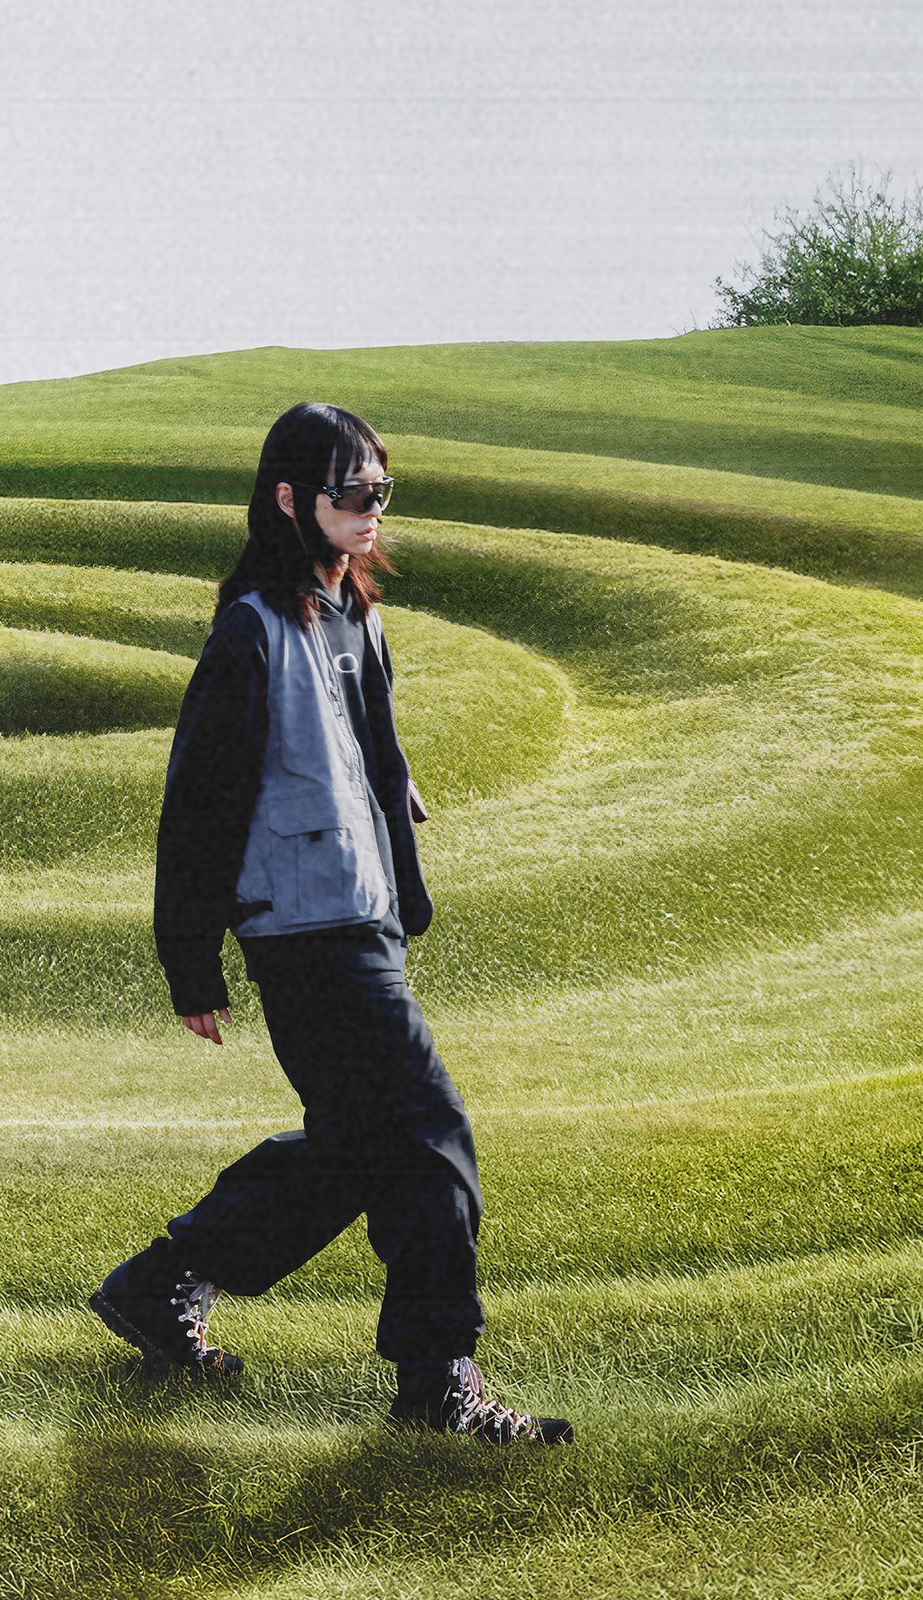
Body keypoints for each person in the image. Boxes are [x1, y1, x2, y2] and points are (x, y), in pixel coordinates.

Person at [88, 401, 572, 1447]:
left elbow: (371, 752)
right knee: (430, 1133)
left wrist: (389, 807)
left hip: (363, 916)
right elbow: (200, 800)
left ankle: (159, 1283)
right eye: (350, 493)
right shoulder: (250, 631)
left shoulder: (359, 616)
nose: (369, 511)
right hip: (303, 933)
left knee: (355, 1149)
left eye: (378, 492)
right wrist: (190, 958)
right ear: (288, 499)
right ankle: (438, 1379)